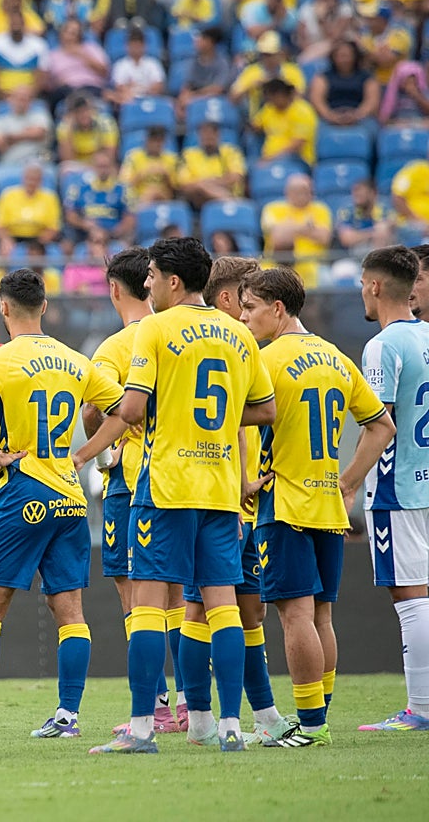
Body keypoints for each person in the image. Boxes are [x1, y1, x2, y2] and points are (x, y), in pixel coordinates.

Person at [89, 237, 276, 754]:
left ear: (173, 280)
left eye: (150, 275)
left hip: (165, 486)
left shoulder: (152, 328)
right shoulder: (237, 334)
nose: (145, 284)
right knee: (222, 608)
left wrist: (166, 413)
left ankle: (143, 730)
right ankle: (230, 726)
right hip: (220, 489)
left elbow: (129, 410)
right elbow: (265, 410)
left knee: (148, 606)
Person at [0, 268, 126, 741]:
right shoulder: (76, 361)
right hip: (69, 496)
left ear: (3, 308)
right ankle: (68, 716)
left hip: (22, 491)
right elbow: (127, 412)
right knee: (70, 609)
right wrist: (86, 455)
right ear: (44, 307)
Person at [238, 267, 393, 747]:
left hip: (284, 503)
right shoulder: (335, 356)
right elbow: (381, 426)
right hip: (328, 504)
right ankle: (319, 718)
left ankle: (309, 726)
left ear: (277, 309)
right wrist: (347, 482)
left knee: (294, 616)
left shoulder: (265, 361)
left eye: (250, 308)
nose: (244, 319)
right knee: (322, 616)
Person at [85, 247, 184, 734]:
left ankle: (156, 706)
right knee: (181, 596)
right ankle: (192, 703)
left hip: (132, 479)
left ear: (114, 289)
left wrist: (92, 446)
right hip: (190, 478)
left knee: (135, 596)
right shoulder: (180, 335)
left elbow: (97, 413)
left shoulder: (115, 348)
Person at [196, 255, 288, 745]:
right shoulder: (226, 346)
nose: (252, 308)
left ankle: (265, 715)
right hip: (220, 501)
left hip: (237, 500)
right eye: (246, 296)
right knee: (206, 609)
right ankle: (204, 721)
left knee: (248, 611)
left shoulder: (243, 351)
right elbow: (221, 429)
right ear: (228, 298)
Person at [356, 245, 429, 731]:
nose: (362, 291)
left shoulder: (383, 346)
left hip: (396, 487)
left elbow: (378, 423)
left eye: (364, 283)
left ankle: (420, 708)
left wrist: (348, 480)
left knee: (410, 597)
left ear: (376, 286)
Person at [260, 174, 332, 286]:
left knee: (327, 280)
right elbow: (278, 236)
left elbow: (324, 238)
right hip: (275, 264)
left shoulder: (320, 209)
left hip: (314, 264)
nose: (305, 194)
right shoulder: (273, 208)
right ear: (288, 192)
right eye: (299, 191)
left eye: (308, 190)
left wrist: (288, 227)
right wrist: (306, 227)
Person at [0, 163, 62, 258]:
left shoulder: (50, 197)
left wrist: (36, 246)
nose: (31, 182)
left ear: (41, 180)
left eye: (35, 179)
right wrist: (6, 241)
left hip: (39, 239)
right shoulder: (8, 195)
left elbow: (53, 228)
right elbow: (0, 225)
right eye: (29, 178)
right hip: (13, 237)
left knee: (43, 254)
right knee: (5, 251)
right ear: (23, 178)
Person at [308, 40, 380, 128]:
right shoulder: (322, 77)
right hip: (329, 117)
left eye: (347, 56)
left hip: (361, 118)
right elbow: (317, 100)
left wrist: (357, 115)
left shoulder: (367, 77)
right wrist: (330, 116)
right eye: (340, 56)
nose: (344, 59)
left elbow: (371, 101)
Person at [177, 121, 247, 208]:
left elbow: (236, 177)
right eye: (204, 133)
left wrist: (207, 183)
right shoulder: (188, 155)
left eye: (212, 133)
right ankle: (227, 199)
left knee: (201, 185)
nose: (208, 137)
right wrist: (206, 185)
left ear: (218, 135)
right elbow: (184, 185)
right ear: (199, 136)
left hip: (227, 190)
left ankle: (224, 199)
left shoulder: (231, 152)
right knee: (198, 188)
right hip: (199, 201)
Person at [252, 78, 317, 168]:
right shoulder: (269, 108)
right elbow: (256, 126)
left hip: (297, 160)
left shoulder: (302, 110)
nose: (271, 100)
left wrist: (271, 159)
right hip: (269, 158)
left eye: (274, 96)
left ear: (284, 94)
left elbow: (297, 144)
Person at [0, 83, 54, 169]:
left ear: (31, 101)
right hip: (7, 165)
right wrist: (27, 134)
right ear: (10, 99)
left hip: (38, 164)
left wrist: (9, 138)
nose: (22, 101)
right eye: (19, 98)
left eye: (26, 98)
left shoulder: (40, 116)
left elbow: (39, 133)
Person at [120, 126, 177, 206]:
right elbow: (124, 185)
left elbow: (177, 188)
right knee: (150, 194)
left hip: (165, 198)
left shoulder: (171, 159)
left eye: (160, 141)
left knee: (155, 193)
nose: (157, 144)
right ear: (147, 141)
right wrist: (142, 174)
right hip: (139, 197)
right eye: (154, 141)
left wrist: (167, 175)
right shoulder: (133, 157)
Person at [337, 180, 393, 254]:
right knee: (343, 266)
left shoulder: (384, 210)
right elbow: (347, 239)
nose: (356, 196)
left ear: (373, 193)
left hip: (376, 252)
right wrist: (372, 233)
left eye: (360, 193)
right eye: (355, 192)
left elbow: (384, 232)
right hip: (350, 256)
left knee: (382, 229)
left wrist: (358, 235)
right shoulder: (348, 211)